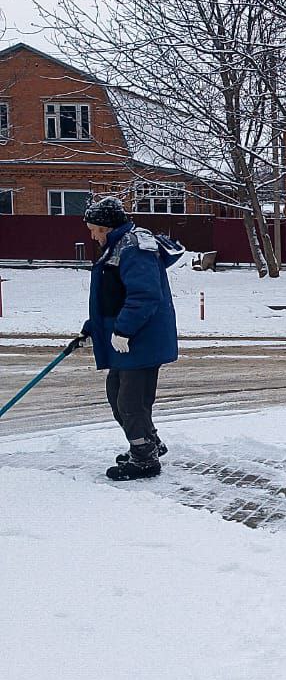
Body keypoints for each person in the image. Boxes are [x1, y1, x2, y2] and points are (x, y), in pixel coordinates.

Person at [80, 197, 183, 481]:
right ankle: (149, 444)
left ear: (106, 226)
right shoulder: (118, 245)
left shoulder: (134, 248)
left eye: (94, 229)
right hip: (129, 339)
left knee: (130, 401)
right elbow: (115, 297)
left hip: (141, 339)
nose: (92, 235)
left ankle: (144, 459)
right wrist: (94, 327)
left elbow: (144, 295)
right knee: (117, 393)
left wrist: (124, 330)